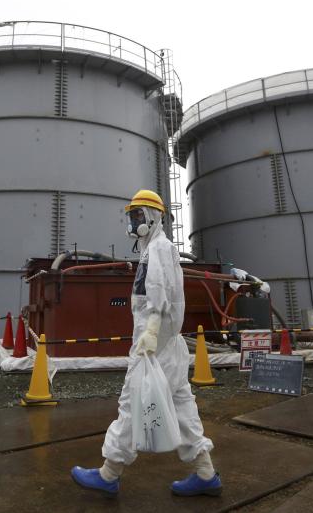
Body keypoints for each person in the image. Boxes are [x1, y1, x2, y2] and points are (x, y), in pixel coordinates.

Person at [71, 190, 220, 498]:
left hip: (154, 346)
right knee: (182, 406)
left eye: (139, 215)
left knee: (131, 403)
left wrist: (149, 336)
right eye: (132, 215)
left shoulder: (159, 249)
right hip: (169, 346)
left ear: (154, 217)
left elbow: (158, 294)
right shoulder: (153, 248)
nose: (134, 221)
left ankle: (109, 473)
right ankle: (206, 473)